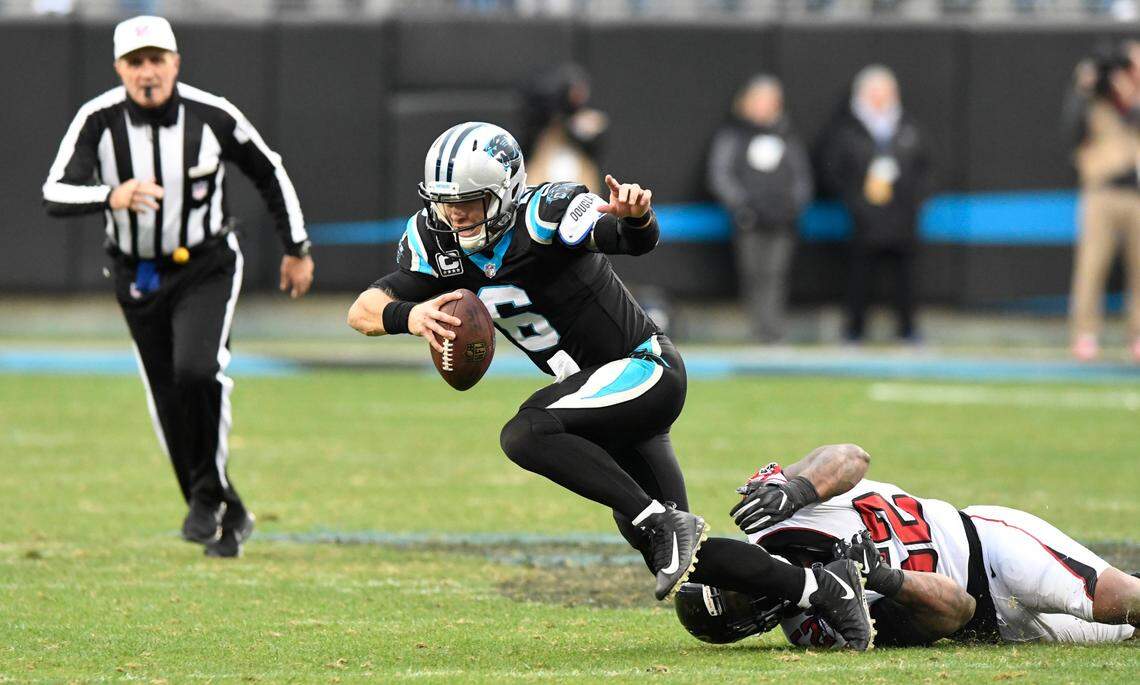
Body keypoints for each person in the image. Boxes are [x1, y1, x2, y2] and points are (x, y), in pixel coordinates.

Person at [347, 122, 874, 649]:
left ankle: (660, 521)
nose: (454, 214)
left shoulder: (545, 211)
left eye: (469, 201)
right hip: (597, 405)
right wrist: (410, 314)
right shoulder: (436, 237)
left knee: (526, 433)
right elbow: (362, 310)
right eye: (444, 202)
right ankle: (822, 589)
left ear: (506, 191)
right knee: (677, 554)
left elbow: (625, 238)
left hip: (644, 370)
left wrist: (636, 218)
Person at [42, 16, 314, 557]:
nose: (148, 72)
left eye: (157, 59)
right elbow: (54, 191)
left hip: (205, 265)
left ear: (175, 62)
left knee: (197, 370)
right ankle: (228, 510)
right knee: (166, 397)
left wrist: (297, 248)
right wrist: (110, 195)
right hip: (135, 273)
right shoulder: (98, 119)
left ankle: (206, 496)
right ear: (120, 68)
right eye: (136, 62)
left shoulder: (212, 114)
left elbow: (269, 170)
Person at [676, 447, 1138, 646]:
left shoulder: (773, 512)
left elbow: (851, 456)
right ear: (751, 625)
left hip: (988, 544)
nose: (749, 593)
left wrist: (798, 488)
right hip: (986, 623)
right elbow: (957, 610)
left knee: (1118, 600)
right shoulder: (815, 626)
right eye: (740, 606)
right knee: (1128, 634)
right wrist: (882, 577)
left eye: (735, 586)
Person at [819, 65, 930, 343]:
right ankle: (853, 331)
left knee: (905, 280)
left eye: (886, 93)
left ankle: (908, 330)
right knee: (859, 278)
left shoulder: (908, 126)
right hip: (863, 219)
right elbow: (833, 170)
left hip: (902, 217)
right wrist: (856, 202)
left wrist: (912, 200)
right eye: (875, 93)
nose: (881, 99)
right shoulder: (846, 129)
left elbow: (927, 169)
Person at [708, 75, 813, 343]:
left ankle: (774, 330)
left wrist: (793, 206)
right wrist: (742, 205)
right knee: (753, 274)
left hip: (782, 220)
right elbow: (720, 174)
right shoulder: (733, 135)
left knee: (776, 274)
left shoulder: (787, 135)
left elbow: (801, 177)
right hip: (749, 220)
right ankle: (759, 330)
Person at [1065, 42, 1140, 362]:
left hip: (1136, 195)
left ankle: (1137, 336)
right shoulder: (1095, 100)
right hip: (1101, 192)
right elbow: (1071, 130)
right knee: (1091, 265)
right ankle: (1085, 334)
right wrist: (1087, 86)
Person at [519, 63, 608, 190]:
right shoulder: (542, 131)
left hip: (580, 196)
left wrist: (572, 122)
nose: (578, 96)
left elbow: (592, 140)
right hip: (542, 191)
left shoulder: (586, 122)